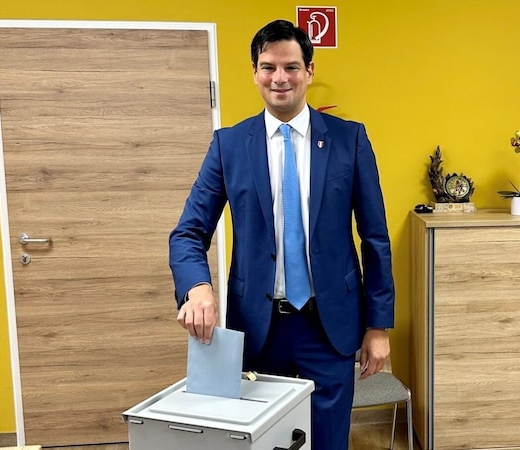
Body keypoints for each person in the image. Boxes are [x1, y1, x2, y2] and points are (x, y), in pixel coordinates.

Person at [168, 19, 395, 450]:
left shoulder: (350, 140)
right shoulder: (229, 146)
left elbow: (375, 238)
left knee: (328, 441)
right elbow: (188, 233)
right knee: (265, 441)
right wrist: (197, 287)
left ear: (309, 71)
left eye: (291, 67)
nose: (279, 78)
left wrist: (378, 326)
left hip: (329, 328)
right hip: (259, 328)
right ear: (255, 73)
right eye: (268, 67)